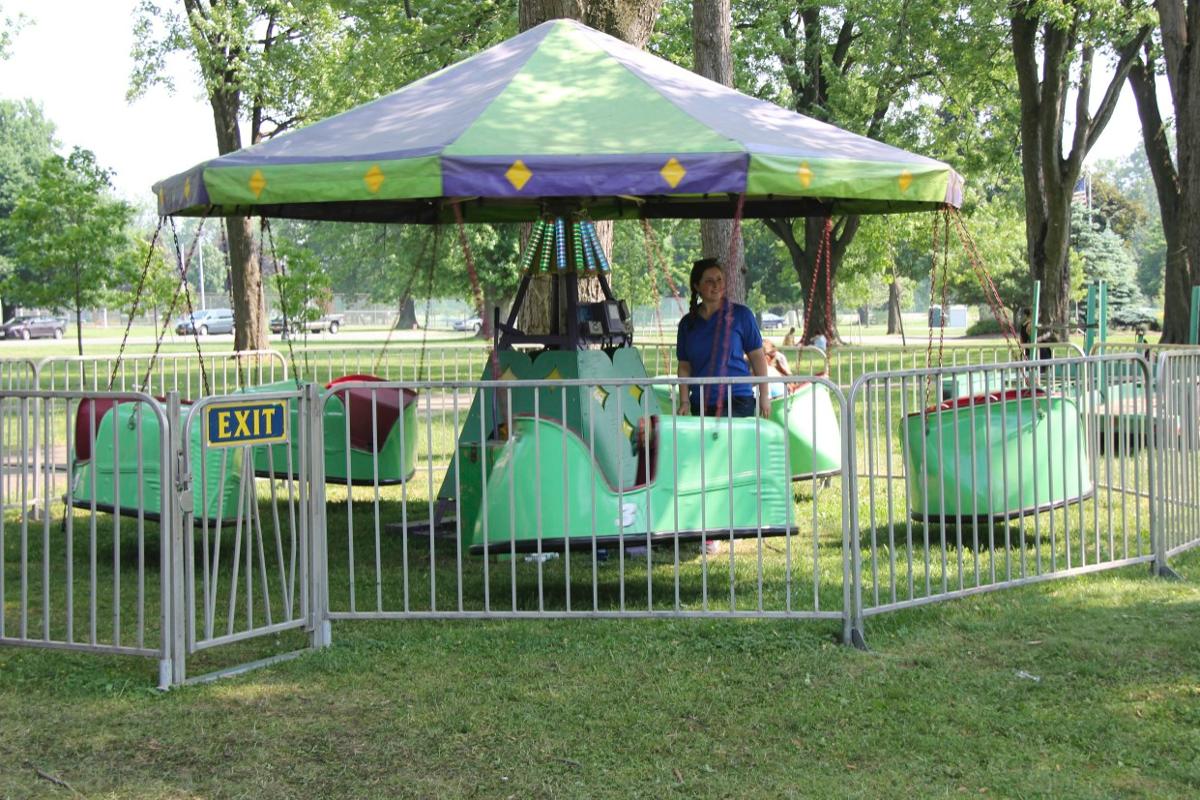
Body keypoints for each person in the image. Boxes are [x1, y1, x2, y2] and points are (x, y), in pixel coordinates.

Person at [676, 258, 771, 419]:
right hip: (701, 401)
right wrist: (684, 401)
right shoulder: (687, 324)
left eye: (719, 279)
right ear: (697, 286)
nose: (716, 285)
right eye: (709, 281)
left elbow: (757, 357)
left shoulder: (742, 315)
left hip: (737, 398)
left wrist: (764, 395)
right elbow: (684, 366)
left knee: (727, 443)